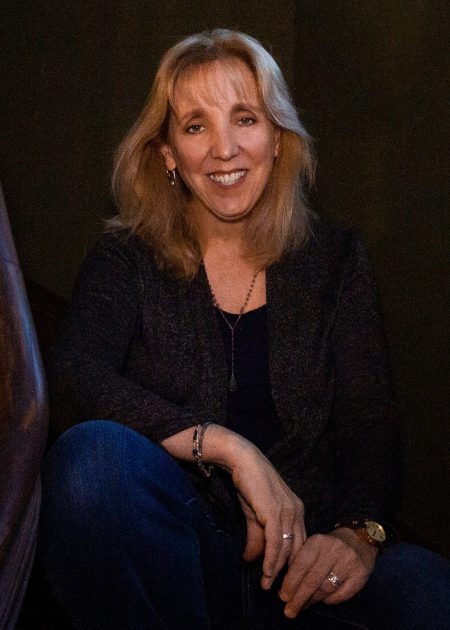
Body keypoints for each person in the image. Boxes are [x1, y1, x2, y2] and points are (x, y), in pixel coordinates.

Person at [38, 29, 450, 629]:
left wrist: (359, 534)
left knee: (430, 592)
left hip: (305, 565)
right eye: (195, 126)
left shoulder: (335, 258)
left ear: (278, 138)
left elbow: (370, 422)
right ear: (168, 153)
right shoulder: (125, 258)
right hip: (181, 554)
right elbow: (74, 377)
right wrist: (231, 450)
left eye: (246, 118)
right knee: (90, 462)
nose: (224, 149)